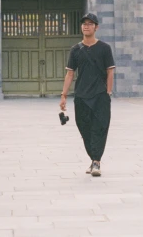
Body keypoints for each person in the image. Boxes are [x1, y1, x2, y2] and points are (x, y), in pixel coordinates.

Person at [59, 12, 115, 177]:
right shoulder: (76, 50)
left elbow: (110, 72)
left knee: (100, 128)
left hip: (100, 96)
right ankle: (93, 158)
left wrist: (108, 93)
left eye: (90, 24)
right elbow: (69, 74)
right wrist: (63, 96)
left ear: (96, 27)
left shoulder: (104, 48)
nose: (86, 26)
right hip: (81, 96)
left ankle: (96, 161)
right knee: (84, 128)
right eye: (84, 23)